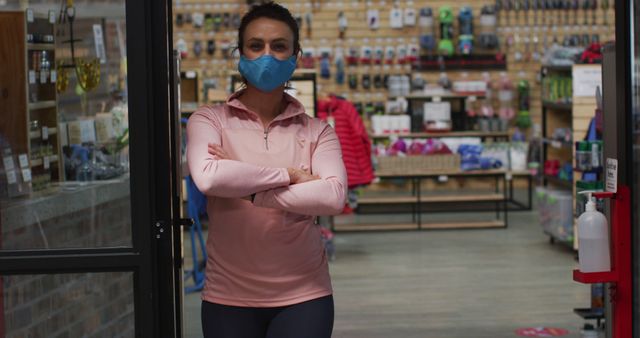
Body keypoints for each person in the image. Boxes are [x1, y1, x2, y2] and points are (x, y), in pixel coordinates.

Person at [186, 2, 347, 338]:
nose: (267, 56)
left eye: (279, 46)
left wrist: (247, 186)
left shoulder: (319, 131)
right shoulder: (209, 119)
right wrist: (292, 175)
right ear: (240, 53)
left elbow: (332, 197)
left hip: (305, 295)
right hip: (228, 297)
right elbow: (209, 177)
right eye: (255, 45)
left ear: (295, 55)